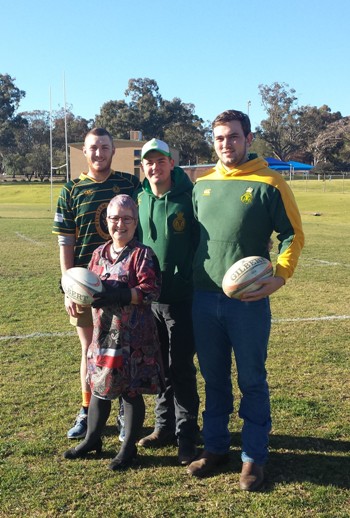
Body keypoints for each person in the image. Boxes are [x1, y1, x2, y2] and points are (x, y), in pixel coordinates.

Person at [187, 110, 304, 490]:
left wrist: (280, 275)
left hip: (248, 302)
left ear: (248, 138)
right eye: (219, 138)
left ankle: (253, 458)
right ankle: (216, 446)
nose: (226, 144)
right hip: (204, 299)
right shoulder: (201, 184)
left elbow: (292, 235)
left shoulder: (270, 182)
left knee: (252, 380)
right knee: (214, 378)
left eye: (233, 137)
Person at [63, 194, 163, 469]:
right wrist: (73, 292)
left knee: (130, 391)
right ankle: (92, 439)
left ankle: (129, 448)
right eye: (115, 218)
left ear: (135, 221)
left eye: (126, 219)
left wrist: (118, 295)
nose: (120, 224)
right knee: (99, 387)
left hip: (132, 337)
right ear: (106, 221)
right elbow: (88, 287)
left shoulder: (143, 254)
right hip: (104, 333)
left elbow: (150, 291)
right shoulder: (98, 253)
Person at [52, 128, 140, 439]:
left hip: (122, 283)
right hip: (84, 285)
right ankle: (87, 409)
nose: (99, 153)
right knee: (90, 349)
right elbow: (66, 241)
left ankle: (121, 412)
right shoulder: (71, 190)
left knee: (123, 349)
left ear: (113, 151)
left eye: (104, 147)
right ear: (84, 152)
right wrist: (67, 284)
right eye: (93, 148)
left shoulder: (129, 183)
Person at [136, 138, 200, 466]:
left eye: (160, 161)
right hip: (150, 301)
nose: (154, 166)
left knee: (181, 368)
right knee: (160, 367)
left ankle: (187, 434)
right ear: (143, 166)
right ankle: (164, 427)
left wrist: (189, 277)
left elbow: (199, 242)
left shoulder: (188, 198)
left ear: (171, 164)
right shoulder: (139, 197)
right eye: (149, 162)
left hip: (182, 299)